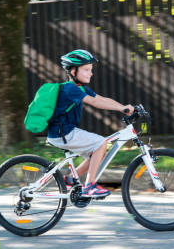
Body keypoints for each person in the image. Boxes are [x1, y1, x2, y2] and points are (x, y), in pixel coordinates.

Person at [47, 49, 134, 198]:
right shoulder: (70, 88)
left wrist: (123, 107)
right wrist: (121, 108)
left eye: (91, 70)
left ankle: (69, 179)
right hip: (63, 133)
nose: (90, 73)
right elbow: (94, 102)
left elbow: (101, 99)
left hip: (65, 132)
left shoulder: (79, 88)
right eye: (86, 70)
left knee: (99, 152)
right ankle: (90, 186)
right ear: (73, 72)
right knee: (100, 143)